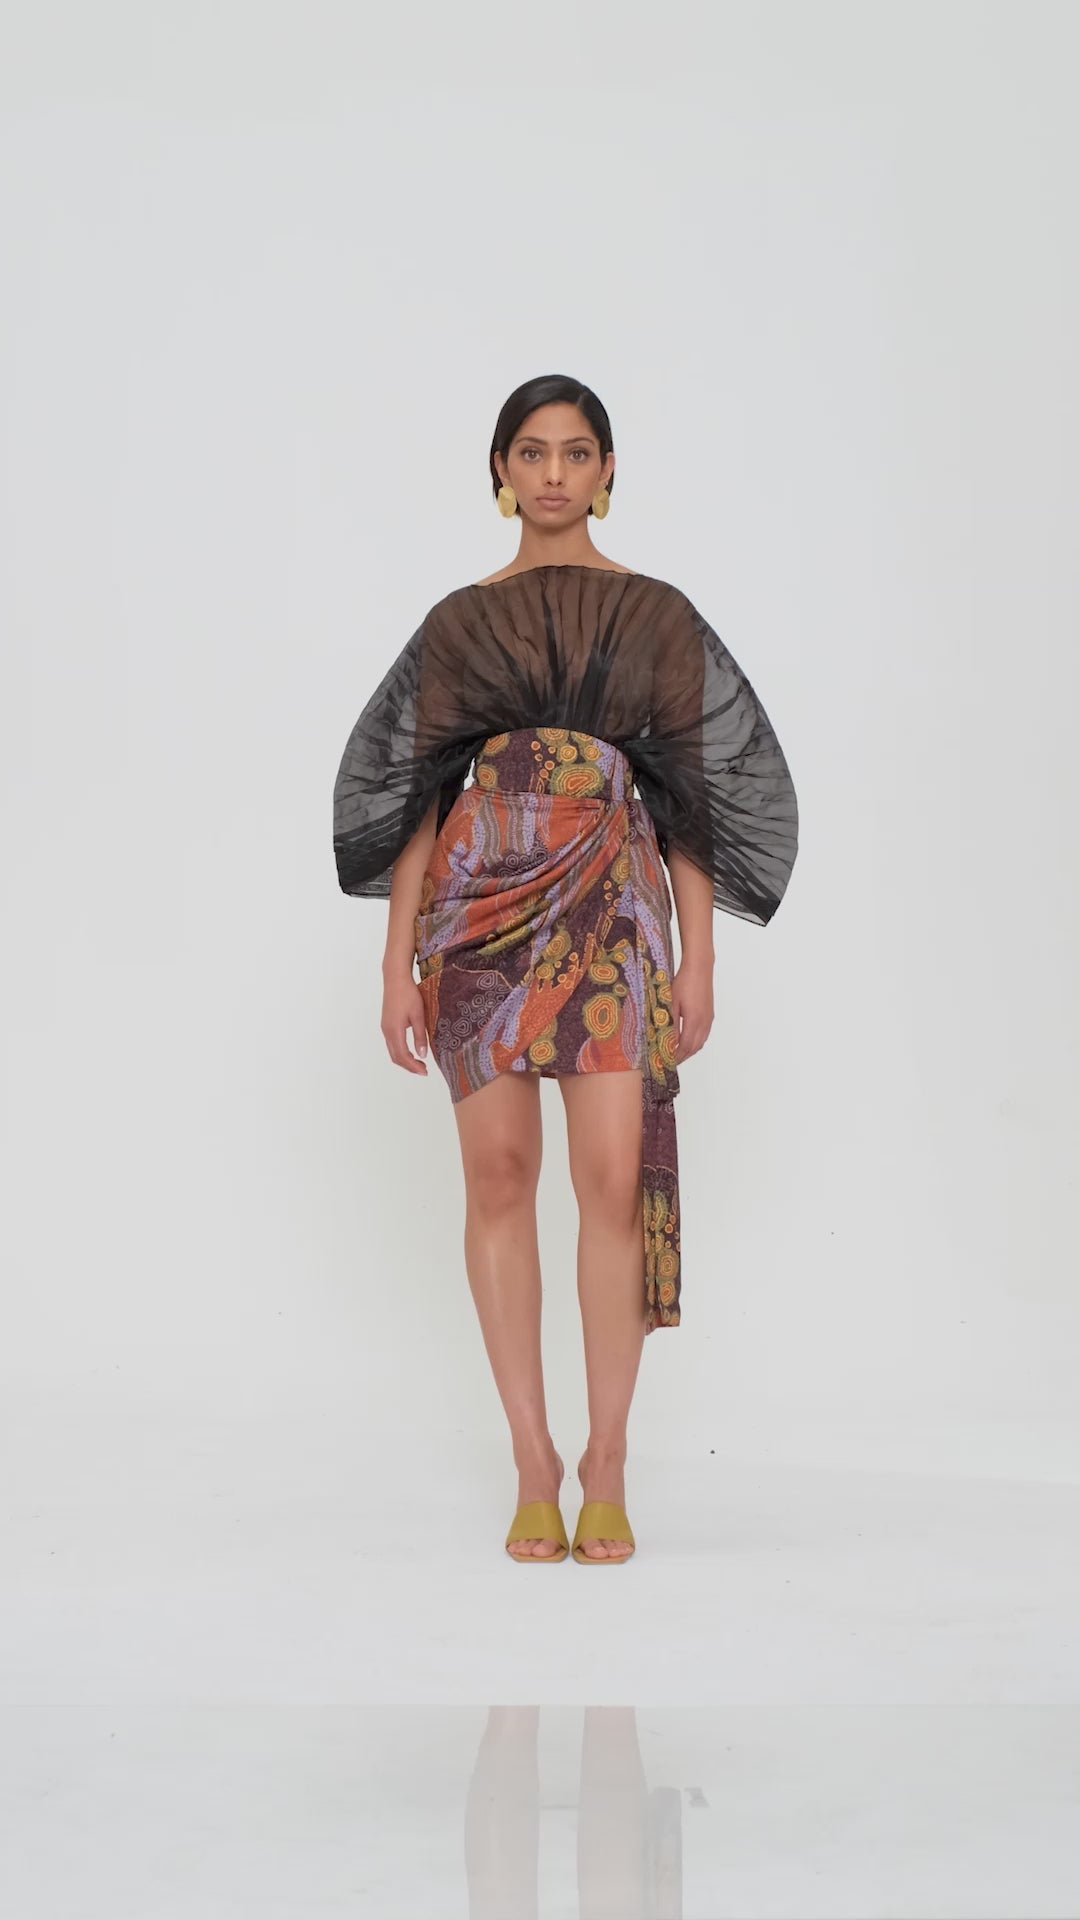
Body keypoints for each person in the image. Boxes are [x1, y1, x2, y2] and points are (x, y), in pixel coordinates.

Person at [332, 374, 798, 1565]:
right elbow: (417, 806)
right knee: (498, 1178)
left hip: (610, 909)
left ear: (607, 471)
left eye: (577, 452)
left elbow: (690, 803)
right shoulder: (459, 623)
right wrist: (395, 963)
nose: (553, 473)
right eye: (531, 452)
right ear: (500, 472)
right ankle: (533, 1460)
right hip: (475, 915)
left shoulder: (654, 616)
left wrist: (697, 960)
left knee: (606, 1183)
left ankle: (609, 1460)